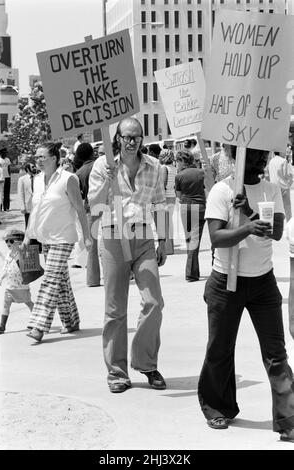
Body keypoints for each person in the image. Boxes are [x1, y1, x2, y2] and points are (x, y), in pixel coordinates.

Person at [198, 147, 294, 442]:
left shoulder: (271, 189)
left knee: (276, 354)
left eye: (261, 158)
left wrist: (250, 214)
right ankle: (217, 407)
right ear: (235, 156)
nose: (257, 163)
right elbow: (216, 237)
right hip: (226, 282)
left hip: (263, 283)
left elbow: (276, 231)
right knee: (220, 349)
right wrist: (247, 227)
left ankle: (288, 419)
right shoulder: (221, 191)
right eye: (251, 157)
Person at [88, 117, 167, 393]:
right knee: (115, 310)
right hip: (112, 237)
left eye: (136, 137)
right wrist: (106, 182)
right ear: (117, 139)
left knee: (154, 302)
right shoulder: (103, 165)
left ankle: (145, 362)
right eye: (126, 137)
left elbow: (159, 203)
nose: (131, 142)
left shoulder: (154, 166)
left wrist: (164, 240)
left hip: (143, 237)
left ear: (143, 139)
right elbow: (94, 203)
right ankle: (117, 373)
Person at [23, 141, 91, 343]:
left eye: (41, 157)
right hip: (46, 237)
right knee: (61, 281)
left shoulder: (68, 179)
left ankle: (39, 325)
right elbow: (35, 211)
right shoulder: (36, 180)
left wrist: (87, 236)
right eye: (36, 157)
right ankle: (71, 321)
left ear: (54, 158)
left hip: (64, 237)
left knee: (51, 279)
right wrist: (28, 235)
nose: (38, 160)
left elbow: (80, 209)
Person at [175, 150, 206, 282]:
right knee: (195, 240)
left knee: (189, 240)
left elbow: (179, 195)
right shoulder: (201, 173)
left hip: (185, 207)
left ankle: (192, 271)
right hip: (199, 207)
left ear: (182, 161)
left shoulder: (179, 175)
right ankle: (192, 273)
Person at [0, 230, 34, 334]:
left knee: (28, 303)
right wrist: (1, 278)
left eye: (11, 241)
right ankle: (2, 325)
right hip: (10, 286)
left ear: (18, 243)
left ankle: (37, 320)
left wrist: (24, 244)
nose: (8, 243)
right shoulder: (8, 255)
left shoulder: (22, 253)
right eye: (7, 241)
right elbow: (6, 268)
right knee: (6, 304)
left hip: (21, 286)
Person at [75, 142, 101, 287]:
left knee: (92, 244)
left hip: (89, 207)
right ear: (93, 153)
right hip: (107, 204)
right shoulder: (99, 165)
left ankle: (92, 279)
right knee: (114, 240)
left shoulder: (78, 173)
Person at [160, 149, 177, 255]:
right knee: (169, 222)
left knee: (164, 223)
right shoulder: (174, 168)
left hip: (165, 197)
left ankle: (168, 248)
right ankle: (170, 247)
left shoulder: (163, 168)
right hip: (172, 196)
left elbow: (162, 184)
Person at [268, 151, 293, 222]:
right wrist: (290, 182)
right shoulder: (283, 161)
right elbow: (287, 174)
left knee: (276, 207)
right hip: (283, 186)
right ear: (280, 152)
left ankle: (275, 223)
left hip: (273, 186)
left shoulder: (271, 161)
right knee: (287, 207)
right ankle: (289, 223)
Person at [17, 162, 37, 228]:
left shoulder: (38, 178)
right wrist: (22, 206)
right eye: (32, 167)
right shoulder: (22, 179)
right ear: (28, 169)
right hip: (28, 206)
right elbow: (20, 193)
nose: (35, 168)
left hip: (38, 206)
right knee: (28, 226)